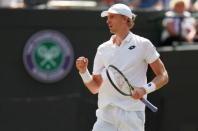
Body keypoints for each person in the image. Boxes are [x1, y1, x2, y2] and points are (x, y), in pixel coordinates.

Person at [76, 3, 169, 131]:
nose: (108, 21)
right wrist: (83, 71)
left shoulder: (143, 44)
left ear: (125, 19)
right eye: (107, 17)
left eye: (112, 17)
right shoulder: (103, 49)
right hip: (105, 115)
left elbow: (163, 76)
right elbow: (94, 87)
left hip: (131, 115)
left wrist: (144, 90)